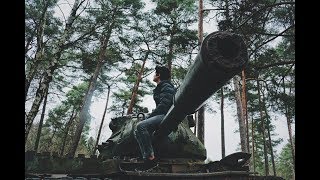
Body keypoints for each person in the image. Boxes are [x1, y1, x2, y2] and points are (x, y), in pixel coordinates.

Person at [133, 65, 176, 171]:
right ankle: (146, 155)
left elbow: (164, 105)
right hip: (162, 114)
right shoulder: (162, 86)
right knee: (136, 130)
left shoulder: (166, 86)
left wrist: (150, 116)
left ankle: (150, 157)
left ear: (159, 75)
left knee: (141, 126)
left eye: (155, 73)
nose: (153, 75)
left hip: (166, 116)